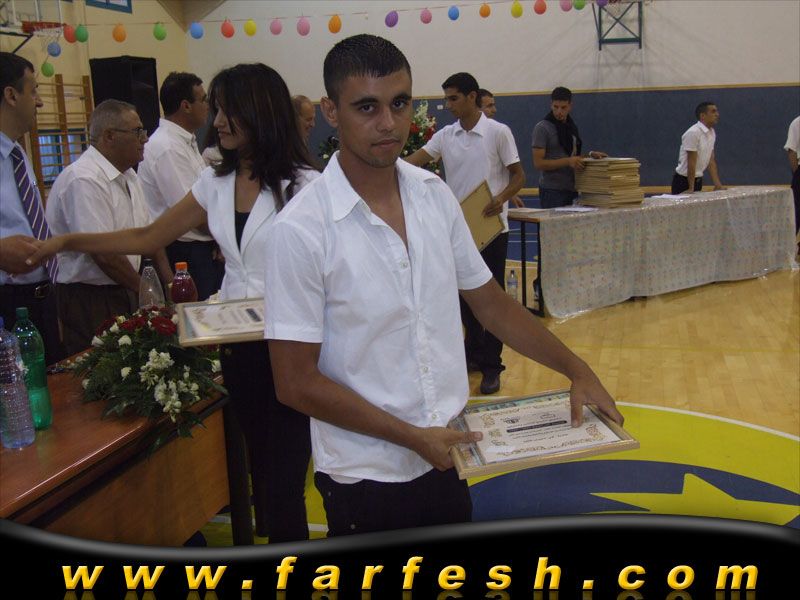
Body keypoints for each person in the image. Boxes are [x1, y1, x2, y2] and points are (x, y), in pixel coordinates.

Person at [262, 34, 623, 537]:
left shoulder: (434, 196)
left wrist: (576, 368)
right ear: (330, 111)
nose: (388, 123)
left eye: (399, 103)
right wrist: (411, 437)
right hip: (366, 475)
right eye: (366, 107)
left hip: (448, 453)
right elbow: (295, 382)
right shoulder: (300, 230)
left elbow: (490, 304)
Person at [29, 63, 319, 543]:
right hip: (239, 346)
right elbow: (148, 236)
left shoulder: (306, 186)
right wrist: (65, 242)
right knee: (264, 473)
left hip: (292, 346)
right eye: (216, 109)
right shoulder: (215, 182)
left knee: (287, 477)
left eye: (227, 111)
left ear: (259, 112)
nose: (216, 122)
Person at [406, 72, 525, 395]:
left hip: (492, 230)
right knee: (461, 297)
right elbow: (413, 162)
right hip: (458, 232)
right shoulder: (446, 136)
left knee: (492, 299)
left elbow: (518, 176)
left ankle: (492, 366)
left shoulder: (498, 132)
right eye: (446, 98)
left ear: (472, 97)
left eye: (454, 98)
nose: (448, 105)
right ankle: (474, 352)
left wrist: (500, 198)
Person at [45, 99, 171, 356]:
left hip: (125, 285)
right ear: (109, 136)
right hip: (91, 297)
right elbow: (104, 254)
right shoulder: (84, 179)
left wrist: (170, 285)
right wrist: (146, 292)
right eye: (137, 131)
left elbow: (150, 236)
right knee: (101, 368)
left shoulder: (129, 174)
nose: (145, 139)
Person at [0, 52, 65, 363]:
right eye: (34, 90)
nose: (40, 102)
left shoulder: (16, 153)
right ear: (11, 95)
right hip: (7, 301)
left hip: (41, 296)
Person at [139, 71, 224, 300]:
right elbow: (192, 213)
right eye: (203, 100)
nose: (208, 106)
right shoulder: (167, 147)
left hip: (202, 247)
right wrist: (226, 238)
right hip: (185, 251)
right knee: (199, 315)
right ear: (186, 106)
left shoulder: (184, 141)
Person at [532, 86, 608, 208]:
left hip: (572, 188)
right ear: (551, 105)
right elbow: (538, 163)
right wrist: (568, 161)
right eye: (556, 107)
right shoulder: (542, 128)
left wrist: (590, 155)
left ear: (570, 106)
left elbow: (573, 157)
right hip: (552, 190)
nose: (559, 112)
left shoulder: (571, 127)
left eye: (563, 107)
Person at [478, 87, 524, 209]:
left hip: (492, 208)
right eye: (489, 106)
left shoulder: (499, 131)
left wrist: (507, 195)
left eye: (493, 105)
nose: (494, 110)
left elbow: (517, 173)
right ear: (477, 109)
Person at [671, 101, 725, 194]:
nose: (717, 114)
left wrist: (717, 184)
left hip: (698, 180)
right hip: (683, 181)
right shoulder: (693, 133)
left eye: (717, 111)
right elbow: (691, 162)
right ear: (702, 116)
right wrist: (691, 188)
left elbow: (711, 160)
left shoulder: (712, 133)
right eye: (713, 111)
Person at [784, 115, 799, 234]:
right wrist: (797, 174)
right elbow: (792, 150)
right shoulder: (797, 123)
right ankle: (789, 241)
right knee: (796, 211)